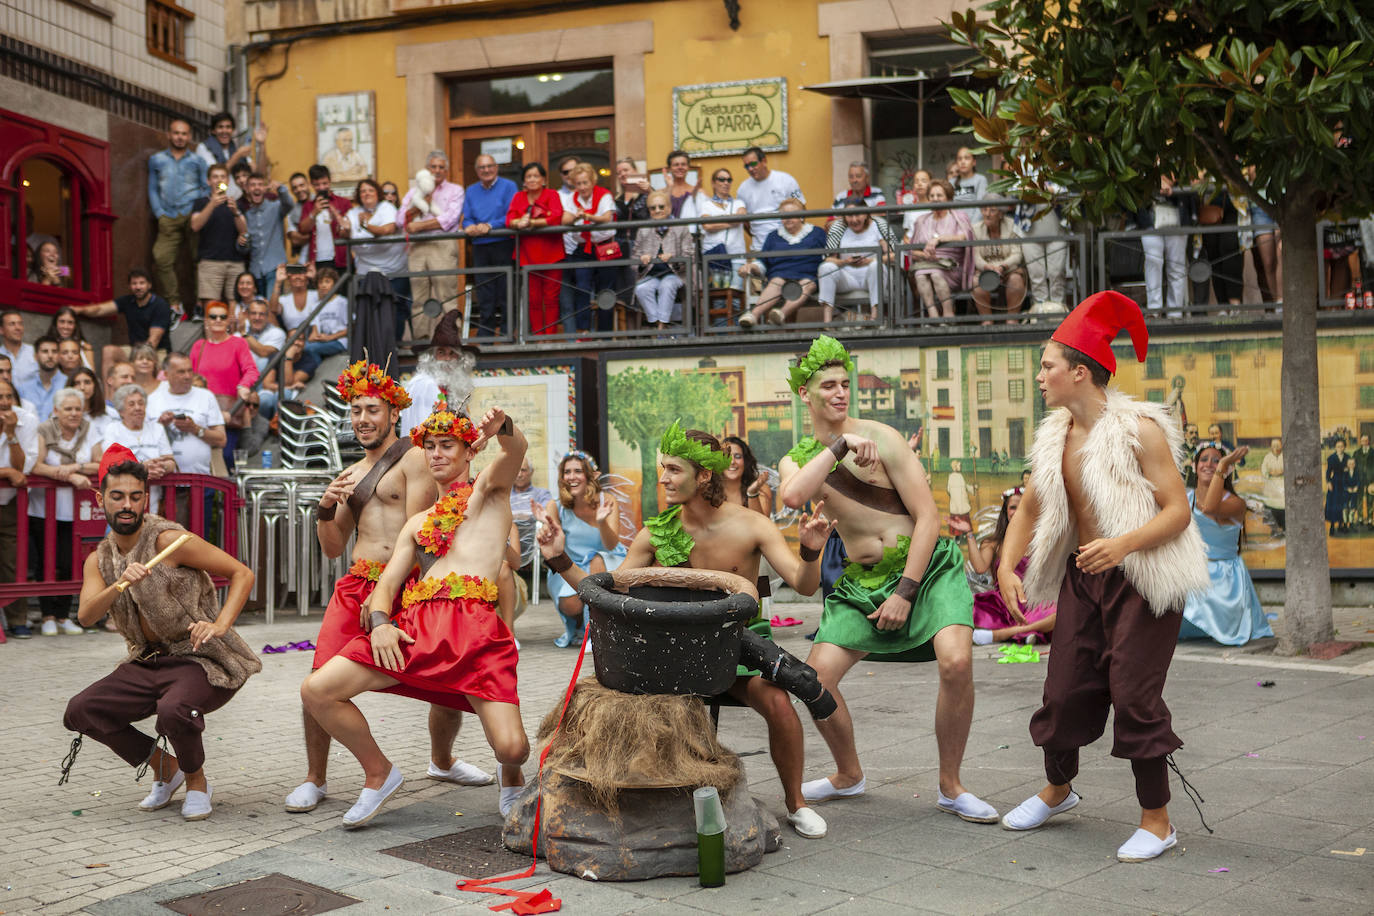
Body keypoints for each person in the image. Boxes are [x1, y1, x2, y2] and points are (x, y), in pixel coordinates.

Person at [535, 422, 834, 839]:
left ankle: (796, 804)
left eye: (674, 469)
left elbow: (804, 584)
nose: (663, 478)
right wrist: (558, 558)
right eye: (663, 468)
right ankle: (644, 803)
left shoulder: (752, 526)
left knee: (780, 704)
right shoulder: (655, 533)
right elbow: (605, 594)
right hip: (671, 657)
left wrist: (811, 548)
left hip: (736, 650)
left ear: (704, 475)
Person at [995, 291, 1209, 862]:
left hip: (1142, 578)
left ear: (1079, 372)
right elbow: (1034, 508)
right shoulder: (1055, 435)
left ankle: (1157, 821)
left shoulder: (1139, 429)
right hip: (1084, 577)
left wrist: (1122, 545)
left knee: (1135, 697)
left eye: (1047, 366)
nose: (1040, 376)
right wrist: (1004, 566)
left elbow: (1177, 511)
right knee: (1062, 694)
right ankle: (1059, 789)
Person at [777, 335, 995, 823]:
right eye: (827, 385)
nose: (839, 393)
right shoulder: (801, 458)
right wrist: (838, 447)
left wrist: (906, 591)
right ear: (804, 395)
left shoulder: (886, 437)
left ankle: (951, 785)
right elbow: (793, 496)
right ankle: (849, 775)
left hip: (926, 570)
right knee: (814, 680)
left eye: (844, 384)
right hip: (863, 581)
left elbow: (929, 519)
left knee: (957, 663)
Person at [301, 406, 529, 827]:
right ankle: (379, 772)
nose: (438, 454)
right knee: (317, 690)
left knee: (512, 748)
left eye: (448, 446)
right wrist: (382, 622)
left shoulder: (489, 494)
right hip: (417, 630)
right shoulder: (418, 524)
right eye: (430, 447)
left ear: (468, 453)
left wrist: (505, 428)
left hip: (476, 634)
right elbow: (387, 583)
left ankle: (510, 772)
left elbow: (515, 451)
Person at [61, 445, 258, 820]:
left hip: (198, 657)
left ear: (145, 498)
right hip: (146, 661)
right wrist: (118, 583)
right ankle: (166, 769)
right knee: (82, 709)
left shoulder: (168, 540)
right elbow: (86, 615)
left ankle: (197, 783)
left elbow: (241, 573)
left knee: (174, 710)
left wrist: (219, 625)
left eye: (136, 497)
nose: (127, 505)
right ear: (100, 499)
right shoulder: (99, 558)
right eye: (117, 496)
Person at [1178, 443, 1272, 644]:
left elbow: (1210, 508)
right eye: (1204, 459)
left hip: (1225, 580)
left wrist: (1223, 466)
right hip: (1194, 575)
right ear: (1194, 467)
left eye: (1216, 461)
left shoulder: (1236, 503)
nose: (1209, 464)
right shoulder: (1185, 499)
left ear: (1227, 469)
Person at [29, 387, 104, 635]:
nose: (74, 414)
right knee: (45, 563)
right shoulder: (43, 429)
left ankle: (63, 616)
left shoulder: (89, 428)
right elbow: (36, 465)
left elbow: (100, 462)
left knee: (69, 562)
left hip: (77, 512)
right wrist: (70, 476)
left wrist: (75, 467)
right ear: (56, 411)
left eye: (77, 409)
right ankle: (47, 614)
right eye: (68, 409)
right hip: (43, 510)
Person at [543, 450, 626, 648]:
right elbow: (556, 549)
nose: (571, 477)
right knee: (570, 605)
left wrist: (602, 522)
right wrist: (548, 533)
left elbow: (611, 545)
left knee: (596, 561)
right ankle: (582, 627)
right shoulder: (555, 506)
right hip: (571, 563)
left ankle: (595, 632)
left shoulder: (607, 500)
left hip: (608, 559)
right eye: (567, 472)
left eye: (578, 471)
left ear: (590, 475)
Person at [966, 487, 1056, 645]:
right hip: (1003, 604)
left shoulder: (1041, 541)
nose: (1016, 511)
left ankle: (1001, 635)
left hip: (1034, 602)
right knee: (964, 610)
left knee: (1059, 613)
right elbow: (980, 567)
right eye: (1013, 507)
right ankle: (1030, 632)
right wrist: (968, 534)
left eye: (1021, 507)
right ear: (1006, 512)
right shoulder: (993, 543)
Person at [148, 118, 208, 317]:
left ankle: (201, 303)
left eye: (184, 134)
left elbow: (207, 186)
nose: (180, 137)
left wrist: (200, 208)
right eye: (176, 133)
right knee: (161, 257)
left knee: (199, 260)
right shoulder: (156, 160)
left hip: (192, 214)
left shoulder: (198, 161)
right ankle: (174, 304)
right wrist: (159, 213)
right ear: (169, 134)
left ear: (189, 137)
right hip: (168, 216)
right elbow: (152, 188)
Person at [401, 152, 464, 339]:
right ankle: (421, 343)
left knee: (447, 297)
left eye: (441, 167)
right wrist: (415, 209)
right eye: (433, 167)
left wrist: (418, 225)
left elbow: (450, 219)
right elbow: (399, 218)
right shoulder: (414, 191)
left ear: (446, 170)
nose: (437, 171)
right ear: (427, 169)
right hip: (417, 247)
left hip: (441, 244)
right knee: (419, 299)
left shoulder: (455, 190)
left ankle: (452, 340)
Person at [189, 303, 259, 469]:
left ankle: (222, 494)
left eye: (222, 317)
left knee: (225, 457)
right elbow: (189, 375)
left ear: (229, 321)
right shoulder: (199, 346)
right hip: (201, 411)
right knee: (199, 459)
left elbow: (251, 370)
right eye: (213, 316)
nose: (218, 320)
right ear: (206, 320)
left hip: (229, 412)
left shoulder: (238, 343)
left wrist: (244, 385)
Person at [738, 199, 827, 328]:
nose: (787, 218)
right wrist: (751, 267)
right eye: (784, 215)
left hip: (808, 275)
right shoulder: (773, 236)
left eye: (791, 214)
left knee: (807, 284)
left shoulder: (817, 233)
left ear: (802, 216)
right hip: (780, 275)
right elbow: (762, 263)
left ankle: (780, 314)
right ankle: (753, 316)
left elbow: (828, 256)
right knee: (777, 281)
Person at [461, 154, 519, 338]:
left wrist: (491, 225)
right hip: (480, 246)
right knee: (484, 291)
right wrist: (467, 226)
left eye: (489, 166)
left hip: (503, 243)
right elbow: (467, 217)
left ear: (496, 167)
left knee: (505, 290)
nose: (486, 170)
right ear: (477, 171)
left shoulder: (509, 186)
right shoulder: (471, 190)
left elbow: (512, 214)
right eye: (482, 167)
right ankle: (485, 335)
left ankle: (507, 333)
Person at [507, 162, 568, 335]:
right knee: (533, 299)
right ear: (524, 181)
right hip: (527, 255)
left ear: (543, 179)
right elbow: (509, 219)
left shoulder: (552, 194)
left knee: (551, 299)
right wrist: (519, 222)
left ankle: (549, 337)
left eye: (536, 176)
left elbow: (556, 217)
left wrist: (532, 223)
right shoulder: (518, 197)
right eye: (528, 176)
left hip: (552, 254)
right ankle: (537, 337)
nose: (532, 179)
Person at [71, 268, 173, 369]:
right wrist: (79, 310)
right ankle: (109, 385)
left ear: (149, 285)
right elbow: (100, 309)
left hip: (157, 352)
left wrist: (137, 359)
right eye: (134, 283)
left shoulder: (160, 305)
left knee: (144, 364)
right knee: (109, 351)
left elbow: (153, 341)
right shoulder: (128, 301)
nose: (138, 287)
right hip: (134, 349)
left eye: (142, 283)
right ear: (129, 286)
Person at [0, 377, 39, 639]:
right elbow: (11, 471)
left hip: (10, 502)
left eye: (8, 397)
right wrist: (4, 471)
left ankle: (17, 619)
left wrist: (11, 434)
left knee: (12, 561)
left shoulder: (25, 420)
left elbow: (23, 470)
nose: (4, 403)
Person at [819, 195, 897, 322]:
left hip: (870, 275)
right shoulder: (838, 228)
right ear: (844, 216)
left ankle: (875, 318)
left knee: (875, 266)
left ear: (866, 214)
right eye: (849, 216)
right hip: (847, 276)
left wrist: (871, 261)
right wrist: (845, 261)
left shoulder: (878, 225)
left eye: (858, 215)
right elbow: (828, 259)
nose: (854, 220)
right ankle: (827, 323)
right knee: (826, 268)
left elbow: (893, 254)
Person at [348, 178, 410, 340]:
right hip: (366, 272)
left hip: (394, 271)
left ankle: (394, 346)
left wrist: (365, 225)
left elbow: (387, 230)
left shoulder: (387, 207)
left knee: (396, 309)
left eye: (370, 190)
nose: (366, 193)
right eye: (362, 191)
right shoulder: (353, 213)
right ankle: (373, 348)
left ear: (377, 193)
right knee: (368, 310)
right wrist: (343, 228)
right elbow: (345, 233)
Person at [147, 353, 226, 477]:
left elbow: (221, 440)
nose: (188, 376)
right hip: (162, 481)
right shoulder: (152, 400)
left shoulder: (206, 396)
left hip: (200, 480)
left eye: (190, 371)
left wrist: (195, 429)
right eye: (181, 372)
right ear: (166, 375)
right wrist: (161, 426)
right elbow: (142, 440)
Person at [104, 384, 176, 515]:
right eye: (131, 404)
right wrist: (142, 467)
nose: (137, 408)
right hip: (123, 503)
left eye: (141, 403)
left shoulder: (157, 428)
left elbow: (171, 461)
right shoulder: (113, 430)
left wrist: (161, 467)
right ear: (121, 411)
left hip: (153, 502)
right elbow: (111, 463)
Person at [564, 162, 619, 334]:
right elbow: (565, 219)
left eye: (585, 182)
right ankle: (584, 331)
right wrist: (574, 218)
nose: (582, 187)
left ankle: (605, 334)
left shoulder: (604, 195)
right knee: (582, 288)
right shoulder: (571, 198)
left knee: (606, 291)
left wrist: (587, 216)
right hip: (583, 249)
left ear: (592, 181)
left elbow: (606, 217)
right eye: (578, 183)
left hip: (604, 246)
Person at [907, 180, 974, 319]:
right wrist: (925, 256)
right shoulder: (921, 220)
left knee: (936, 274)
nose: (935, 199)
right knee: (920, 275)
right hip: (926, 263)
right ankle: (933, 315)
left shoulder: (959, 217)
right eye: (932, 196)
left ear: (948, 198)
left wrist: (939, 239)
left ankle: (948, 314)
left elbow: (963, 237)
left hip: (953, 267)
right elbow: (912, 251)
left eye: (939, 195)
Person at [190, 163, 250, 319]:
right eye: (215, 177)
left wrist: (236, 212)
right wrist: (212, 203)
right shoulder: (201, 203)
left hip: (235, 262)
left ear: (228, 181)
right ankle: (211, 342)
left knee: (234, 307)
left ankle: (231, 341)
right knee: (211, 308)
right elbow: (195, 226)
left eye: (222, 177)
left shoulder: (235, 203)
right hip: (210, 262)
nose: (218, 180)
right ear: (208, 181)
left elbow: (244, 231)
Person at [633, 190, 693, 329]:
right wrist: (642, 261)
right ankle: (658, 322)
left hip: (676, 274)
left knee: (667, 285)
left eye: (661, 206)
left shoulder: (681, 227)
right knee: (641, 288)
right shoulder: (644, 230)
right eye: (653, 208)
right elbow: (634, 258)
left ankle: (661, 325)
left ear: (669, 207)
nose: (657, 210)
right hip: (651, 274)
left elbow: (690, 255)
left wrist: (674, 258)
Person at [1139, 174, 1195, 317]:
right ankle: (1154, 309)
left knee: (1176, 265)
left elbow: (1186, 174)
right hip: (1149, 218)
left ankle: (1175, 311)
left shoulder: (1180, 155)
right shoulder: (1143, 155)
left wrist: (1171, 182)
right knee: (1153, 261)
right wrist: (1157, 183)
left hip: (1177, 215)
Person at [288, 268, 348, 387]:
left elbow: (351, 328)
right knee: (305, 345)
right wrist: (313, 337)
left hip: (339, 341)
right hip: (323, 341)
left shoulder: (342, 302)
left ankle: (316, 373)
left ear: (334, 283)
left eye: (327, 281)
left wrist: (330, 338)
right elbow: (315, 329)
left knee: (310, 349)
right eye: (320, 282)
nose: (323, 285)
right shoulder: (316, 305)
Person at [737, 147, 805, 251]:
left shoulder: (785, 180)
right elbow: (745, 221)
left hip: (787, 244)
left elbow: (801, 209)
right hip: (759, 248)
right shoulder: (743, 189)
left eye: (753, 164)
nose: (750, 168)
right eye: (746, 166)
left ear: (764, 161)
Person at [694, 167, 748, 292]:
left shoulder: (739, 203)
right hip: (715, 255)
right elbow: (707, 226)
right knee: (718, 296)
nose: (726, 183)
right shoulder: (706, 205)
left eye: (729, 180)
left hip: (736, 255)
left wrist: (718, 220)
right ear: (713, 183)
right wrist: (731, 222)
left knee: (736, 292)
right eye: (722, 179)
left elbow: (740, 218)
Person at [241, 172, 294, 299]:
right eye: (253, 185)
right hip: (255, 271)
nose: (257, 188)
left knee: (272, 307)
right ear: (247, 189)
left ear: (265, 188)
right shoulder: (246, 215)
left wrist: (281, 188)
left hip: (275, 268)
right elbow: (244, 249)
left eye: (260, 184)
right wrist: (241, 243)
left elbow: (289, 204)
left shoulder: (276, 207)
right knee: (258, 308)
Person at [972, 204, 1029, 321]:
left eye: (992, 210)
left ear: (1001, 214)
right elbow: (976, 256)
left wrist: (1003, 266)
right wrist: (987, 267)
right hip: (985, 270)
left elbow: (1017, 254)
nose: (987, 214)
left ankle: (1012, 320)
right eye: (984, 209)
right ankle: (987, 320)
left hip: (1009, 268)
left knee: (1016, 280)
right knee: (976, 282)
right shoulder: (975, 229)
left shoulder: (1012, 225)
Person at [298, 164, 352, 272]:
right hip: (317, 260)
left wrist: (335, 214)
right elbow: (302, 229)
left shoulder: (343, 202)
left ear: (330, 181)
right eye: (317, 185)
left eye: (324, 183)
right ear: (311, 185)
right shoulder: (308, 206)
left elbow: (349, 230)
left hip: (340, 259)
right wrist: (314, 212)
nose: (322, 187)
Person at [239, 299, 287, 419]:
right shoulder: (235, 335)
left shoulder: (277, 333)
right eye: (254, 313)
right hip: (241, 384)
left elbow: (263, 352)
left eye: (261, 314)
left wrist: (244, 335)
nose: (257, 317)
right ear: (247, 315)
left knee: (265, 401)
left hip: (263, 385)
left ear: (267, 316)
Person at [195, 112, 257, 183]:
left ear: (233, 130)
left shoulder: (234, 148)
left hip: (235, 193)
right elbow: (216, 177)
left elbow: (255, 172)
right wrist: (237, 155)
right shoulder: (203, 148)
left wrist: (261, 144)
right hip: (215, 191)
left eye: (228, 127)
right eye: (220, 127)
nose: (224, 131)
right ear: (213, 131)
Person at [722, 435, 772, 515]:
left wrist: (752, 493)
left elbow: (761, 525)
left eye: (737, 456)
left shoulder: (761, 489)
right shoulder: (709, 490)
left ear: (746, 461)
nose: (732, 462)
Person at [18, 336, 63, 424]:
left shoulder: (68, 384)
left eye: (54, 351)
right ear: (35, 356)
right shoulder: (23, 388)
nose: (50, 356)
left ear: (59, 355)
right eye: (45, 351)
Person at [66, 367, 113, 443]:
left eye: (87, 382)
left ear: (95, 385)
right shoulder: (61, 414)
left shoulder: (109, 414)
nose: (82, 388)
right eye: (77, 383)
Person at [1, 310, 38, 390]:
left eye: (20, 324)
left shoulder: (35, 352)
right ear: (1, 330)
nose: (18, 328)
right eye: (12, 324)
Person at [951, 147, 989, 225]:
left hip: (974, 226)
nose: (963, 162)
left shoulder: (981, 180)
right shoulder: (951, 182)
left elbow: (980, 207)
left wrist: (970, 228)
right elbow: (949, 208)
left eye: (967, 158)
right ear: (956, 163)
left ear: (974, 162)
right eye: (959, 159)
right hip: (954, 226)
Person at [662, 149, 697, 218]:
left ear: (688, 168)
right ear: (669, 169)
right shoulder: (661, 193)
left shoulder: (697, 191)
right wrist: (669, 187)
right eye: (676, 165)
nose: (680, 167)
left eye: (683, 164)